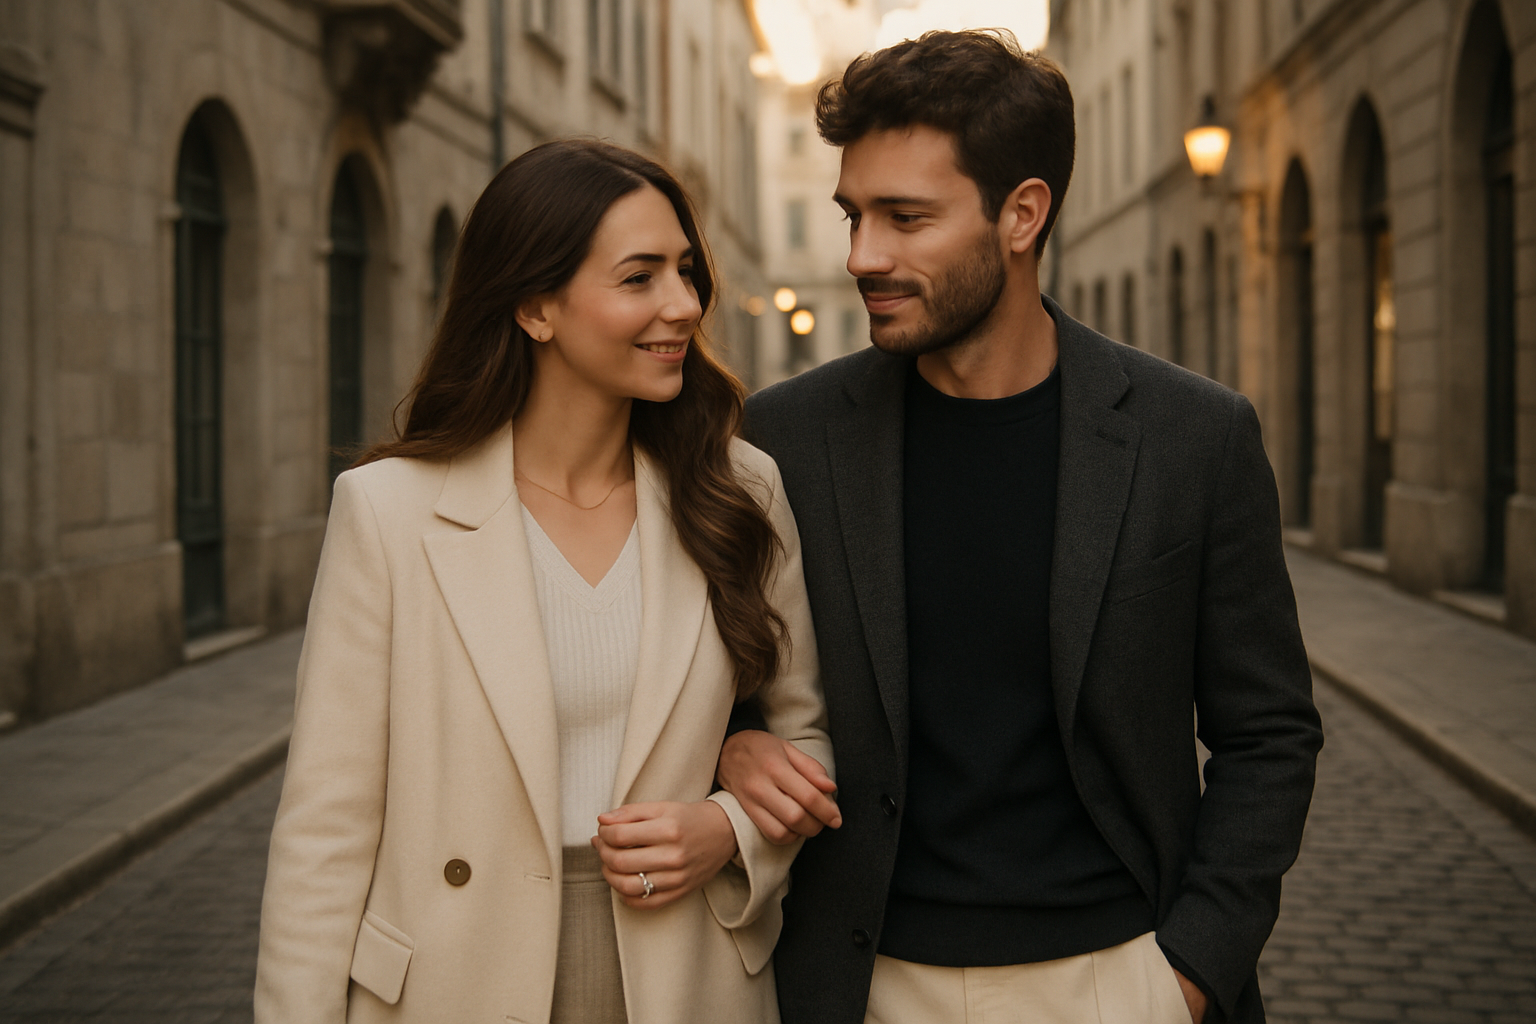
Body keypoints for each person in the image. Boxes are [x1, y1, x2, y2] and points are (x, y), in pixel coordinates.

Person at [716, 30, 1323, 1024]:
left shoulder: (1193, 436)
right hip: (864, 980)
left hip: (1118, 975)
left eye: (906, 218)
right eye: (854, 215)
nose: (864, 254)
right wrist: (736, 741)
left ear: (1022, 214)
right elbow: (703, 677)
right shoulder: (783, 440)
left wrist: (1193, 971)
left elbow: (1269, 732)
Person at [254, 139, 831, 1024]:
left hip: (685, 975)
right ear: (534, 306)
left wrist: (728, 828)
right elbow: (323, 835)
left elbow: (809, 742)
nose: (683, 304)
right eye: (639, 278)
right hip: (454, 978)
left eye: (684, 271)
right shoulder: (389, 512)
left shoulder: (738, 490)